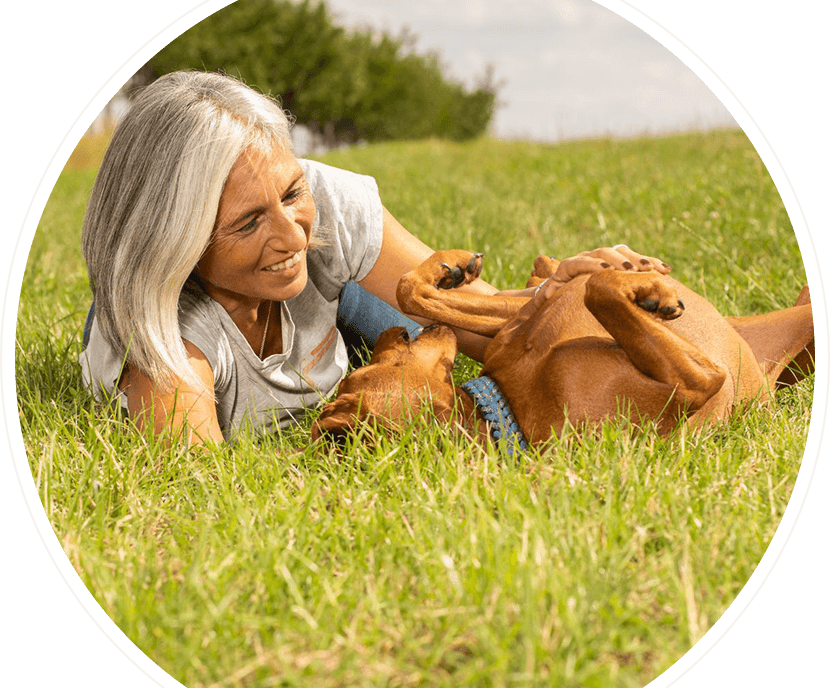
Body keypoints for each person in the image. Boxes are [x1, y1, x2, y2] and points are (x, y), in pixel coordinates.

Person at [79, 71, 666, 446]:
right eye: (248, 222)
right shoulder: (178, 350)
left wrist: (558, 296)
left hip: (331, 293)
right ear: (178, 240)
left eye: (290, 193)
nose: (293, 235)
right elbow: (196, 501)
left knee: (493, 338)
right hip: (223, 311)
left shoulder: (322, 214)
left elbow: (505, 331)